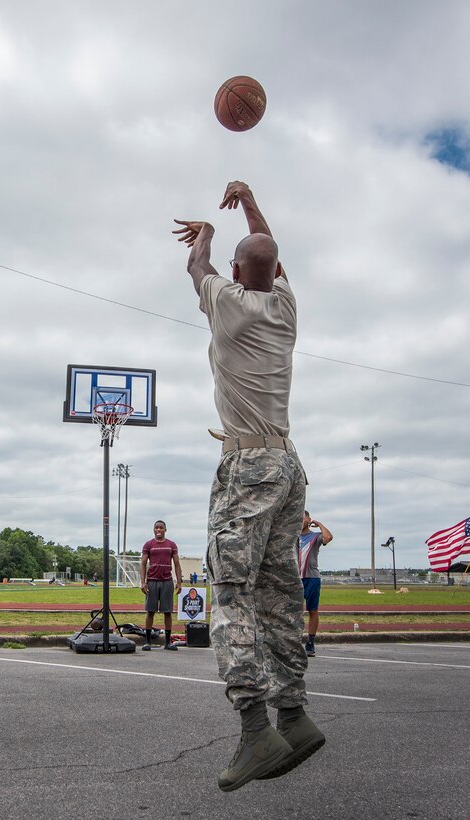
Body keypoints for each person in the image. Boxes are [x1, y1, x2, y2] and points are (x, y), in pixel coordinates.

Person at [173, 180, 325, 791]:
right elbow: (272, 256)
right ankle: (295, 714)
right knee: (281, 591)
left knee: (232, 592)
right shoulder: (285, 308)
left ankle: (256, 729)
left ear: (237, 271)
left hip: (249, 467)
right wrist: (252, 204)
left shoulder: (229, 305)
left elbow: (196, 264)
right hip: (290, 467)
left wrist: (205, 232)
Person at [139, 521, 183, 651]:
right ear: (153, 530)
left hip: (167, 582)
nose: (159, 529)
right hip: (152, 581)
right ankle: (147, 642)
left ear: (165, 530)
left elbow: (177, 564)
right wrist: (143, 582)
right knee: (150, 611)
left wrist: (179, 582)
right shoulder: (148, 545)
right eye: (156, 528)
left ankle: (168, 643)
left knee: (167, 612)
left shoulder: (171, 545)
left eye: (161, 528)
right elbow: (142, 563)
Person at [298, 512, 334, 657]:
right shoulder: (291, 537)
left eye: (303, 517)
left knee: (312, 610)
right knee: (295, 612)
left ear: (308, 519)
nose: (300, 520)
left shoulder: (315, 536)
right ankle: (293, 641)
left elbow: (328, 537)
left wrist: (319, 524)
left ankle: (310, 642)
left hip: (312, 578)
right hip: (295, 578)